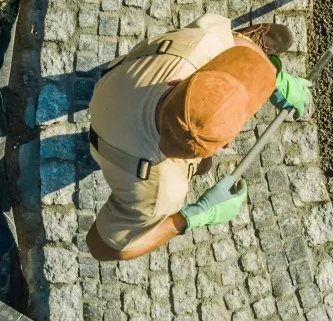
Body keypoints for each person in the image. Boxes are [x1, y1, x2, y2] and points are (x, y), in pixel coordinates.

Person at [83, 14, 312, 261]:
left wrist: (268, 75)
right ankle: (199, 162)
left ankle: (200, 159)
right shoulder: (163, 194)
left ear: (177, 82)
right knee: (203, 167)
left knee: (227, 46)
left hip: (115, 87)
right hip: (110, 149)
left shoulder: (199, 45)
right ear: (227, 143)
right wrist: (188, 218)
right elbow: (100, 247)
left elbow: (231, 43)